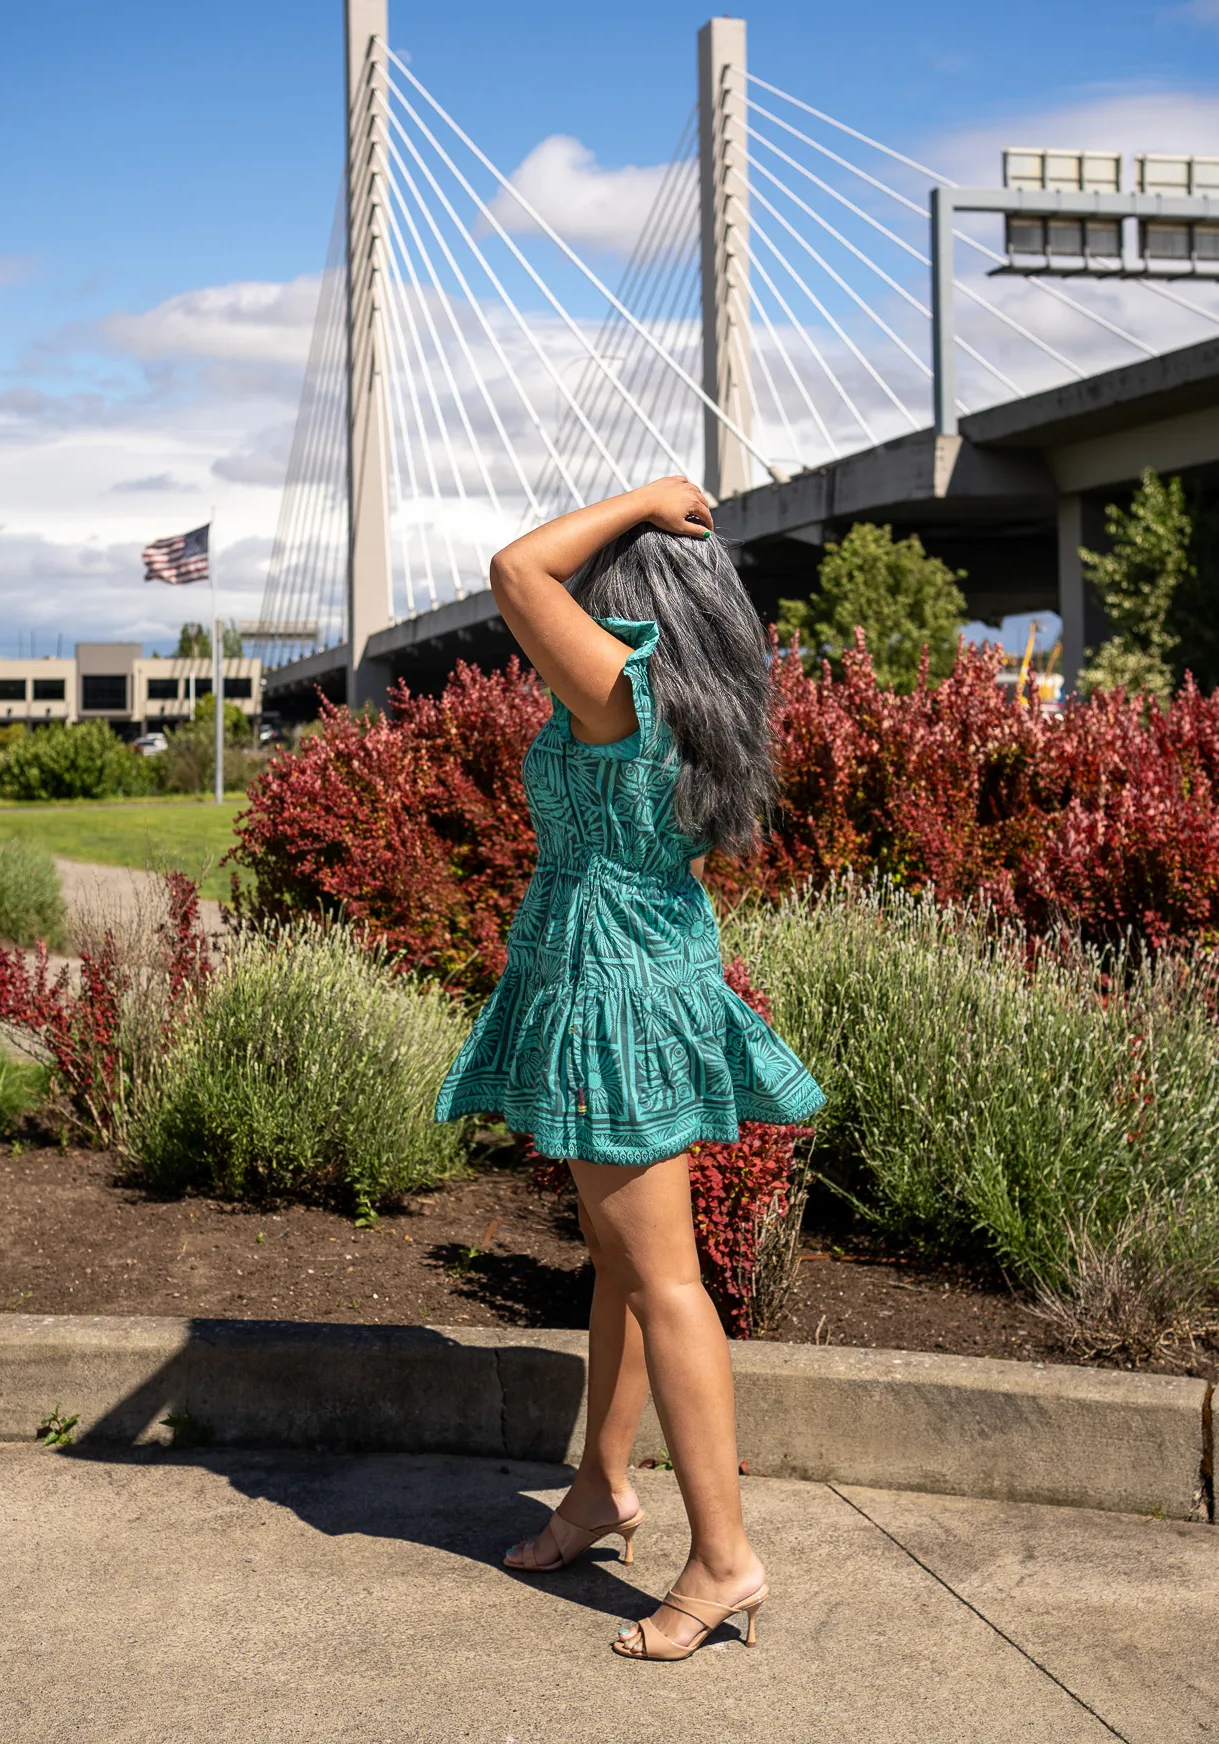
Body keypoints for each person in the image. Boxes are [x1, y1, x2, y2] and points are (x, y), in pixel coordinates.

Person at [434, 475, 825, 1662]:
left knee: (665, 1280)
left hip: (616, 996)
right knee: (621, 1261)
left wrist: (639, 496)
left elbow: (514, 569)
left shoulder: (620, 689)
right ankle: (603, 1486)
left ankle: (724, 1558)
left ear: (632, 601)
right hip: (638, 974)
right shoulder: (696, 695)